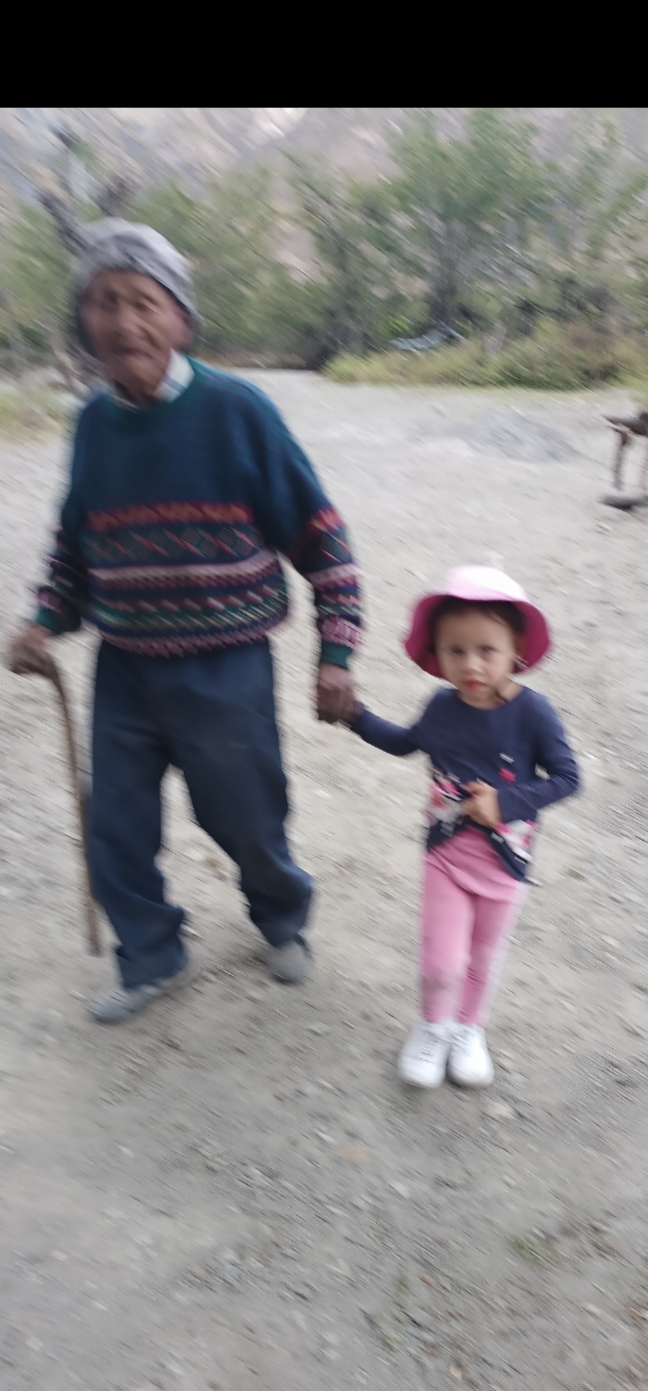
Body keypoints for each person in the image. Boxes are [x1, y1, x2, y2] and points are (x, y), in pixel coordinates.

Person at [7, 221, 362, 1023]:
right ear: (84, 320)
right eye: (104, 302)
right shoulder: (93, 422)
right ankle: (150, 953)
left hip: (225, 666)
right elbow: (75, 541)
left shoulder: (237, 411)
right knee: (117, 822)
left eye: (144, 302)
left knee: (247, 813)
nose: (124, 321)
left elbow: (321, 537)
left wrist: (336, 651)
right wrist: (42, 621)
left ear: (181, 319)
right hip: (125, 666)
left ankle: (281, 917)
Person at [343, 565, 579, 1089]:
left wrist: (506, 801)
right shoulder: (441, 707)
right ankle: (432, 1027)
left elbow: (568, 778)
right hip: (446, 857)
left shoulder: (533, 714)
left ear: (516, 648)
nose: (471, 664)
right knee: (442, 960)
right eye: (455, 650)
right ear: (437, 652)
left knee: (483, 957)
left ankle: (468, 1030)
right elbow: (406, 743)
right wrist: (354, 715)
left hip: (507, 865)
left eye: (487, 650)